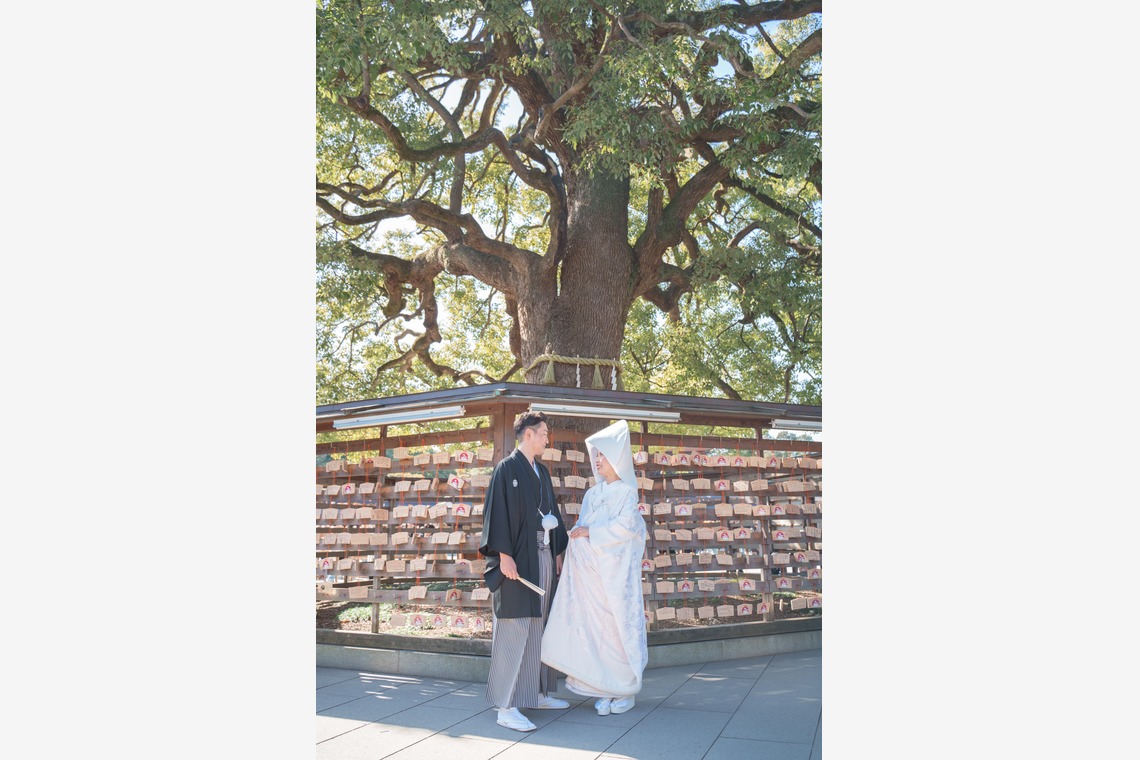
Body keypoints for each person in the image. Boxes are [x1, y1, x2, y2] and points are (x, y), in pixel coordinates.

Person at [540, 419, 648, 716]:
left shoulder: (627, 492)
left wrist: (590, 534)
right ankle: (602, 687)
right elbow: (583, 527)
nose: (597, 460)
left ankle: (624, 689)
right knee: (594, 630)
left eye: (603, 455)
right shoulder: (592, 494)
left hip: (614, 576)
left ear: (617, 459)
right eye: (596, 455)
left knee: (616, 629)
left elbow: (628, 529)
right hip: (592, 577)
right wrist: (580, 534)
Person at [478, 410, 571, 731]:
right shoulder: (506, 469)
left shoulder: (542, 472)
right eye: (544, 433)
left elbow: (553, 513)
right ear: (528, 434)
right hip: (517, 557)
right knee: (515, 626)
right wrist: (503, 555)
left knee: (539, 624)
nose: (547, 438)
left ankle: (536, 693)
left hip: (542, 554)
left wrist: (558, 550)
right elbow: (497, 514)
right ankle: (506, 706)